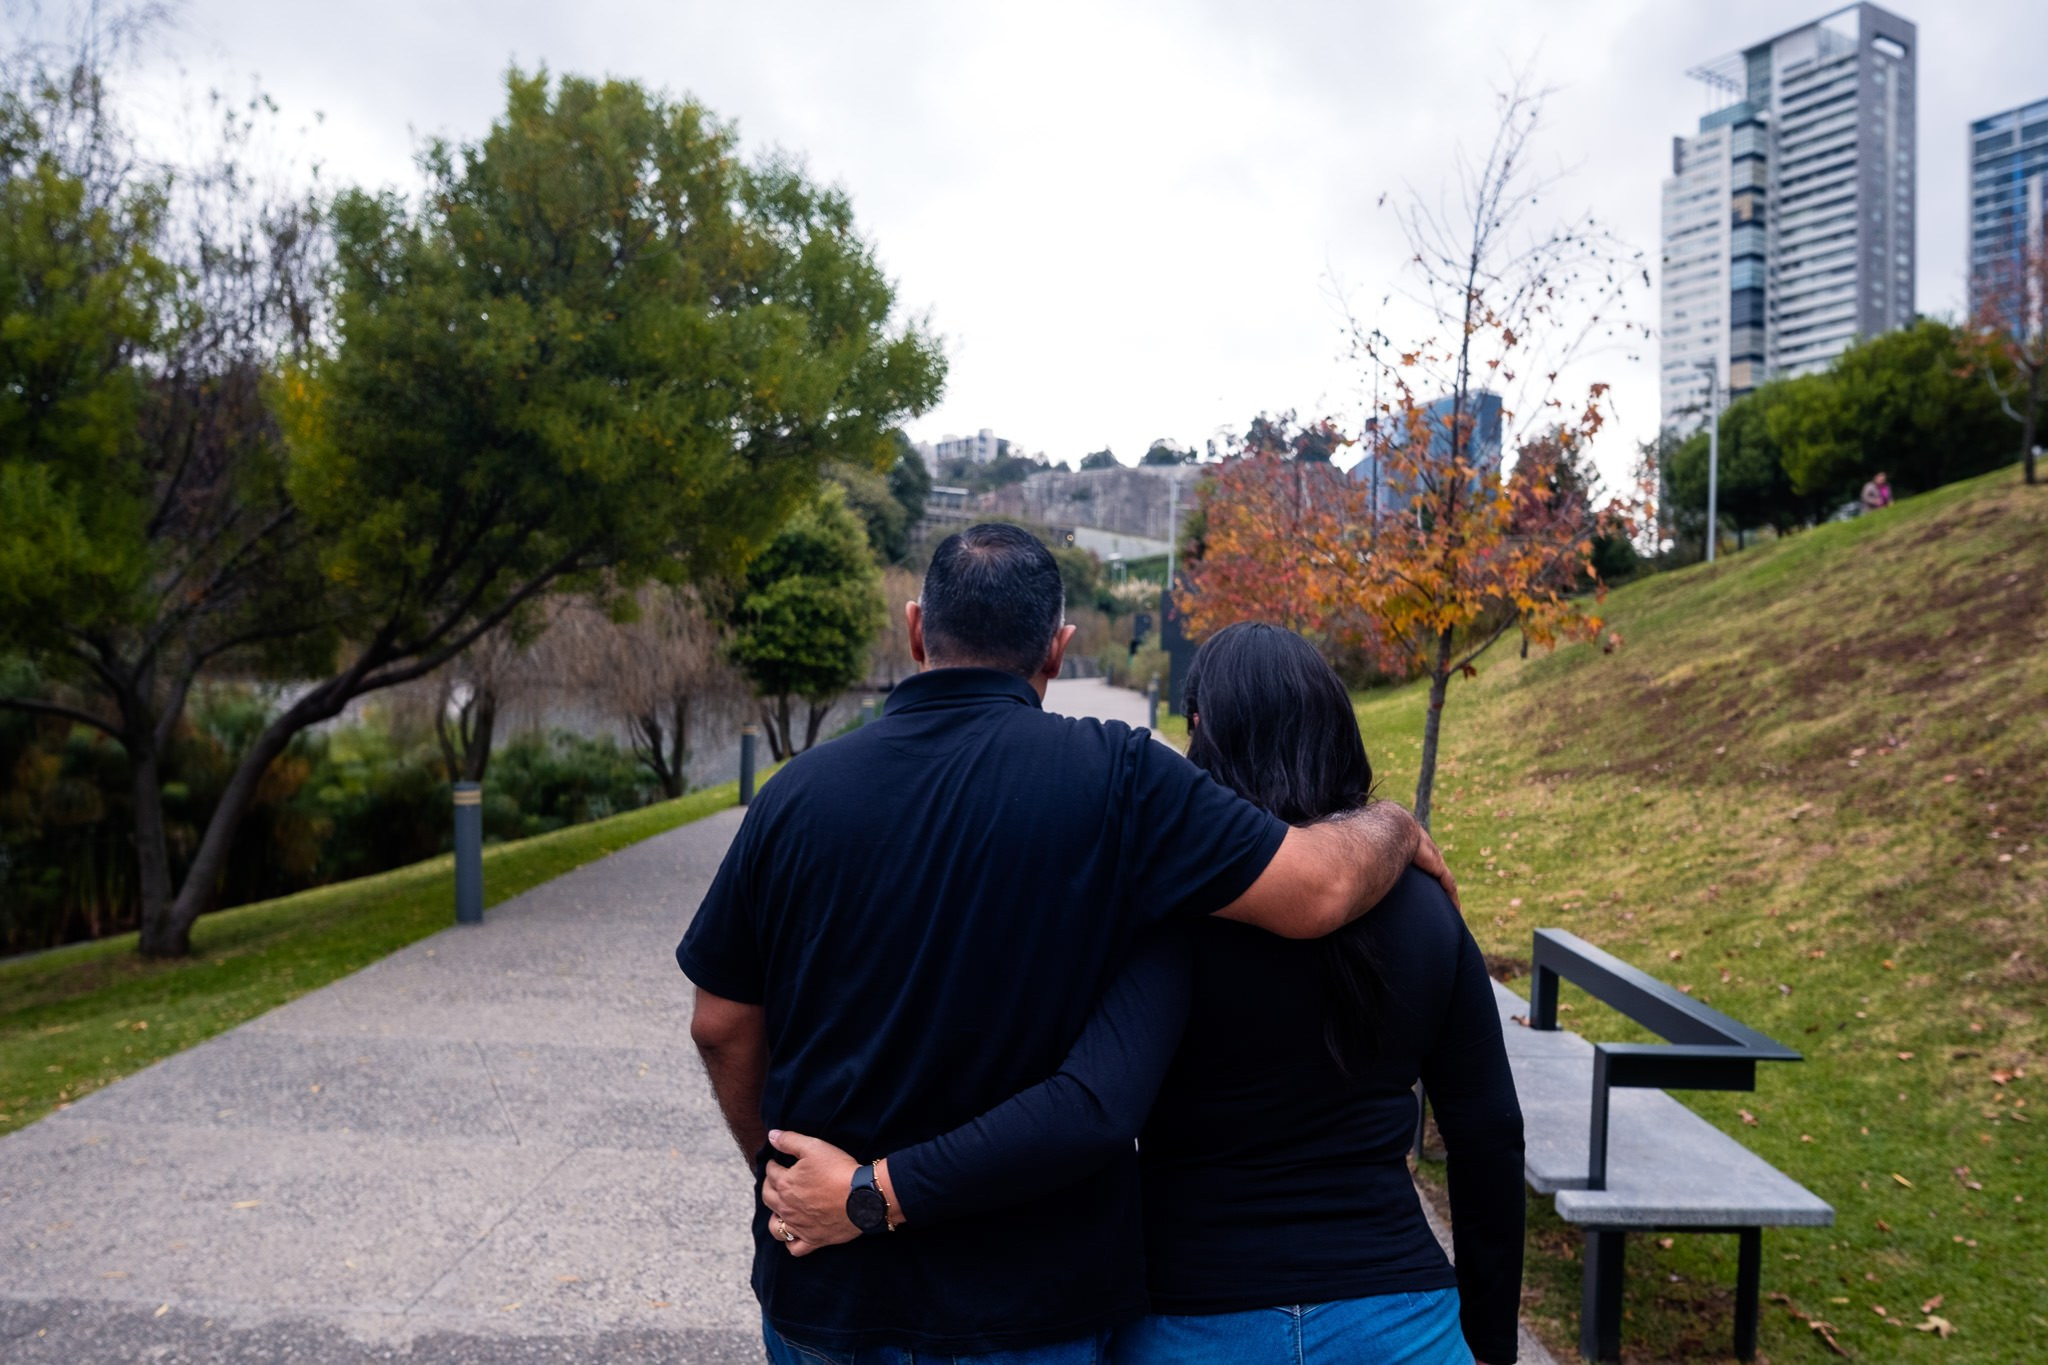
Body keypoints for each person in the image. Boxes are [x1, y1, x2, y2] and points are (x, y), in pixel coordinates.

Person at [679, 526, 1456, 1363]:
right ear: (1057, 646)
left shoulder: (792, 794)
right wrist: (1393, 821)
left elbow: (719, 1025)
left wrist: (784, 1175)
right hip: (1027, 1306)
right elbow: (1321, 890)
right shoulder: (1120, 778)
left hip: (825, 1295)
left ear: (916, 629)